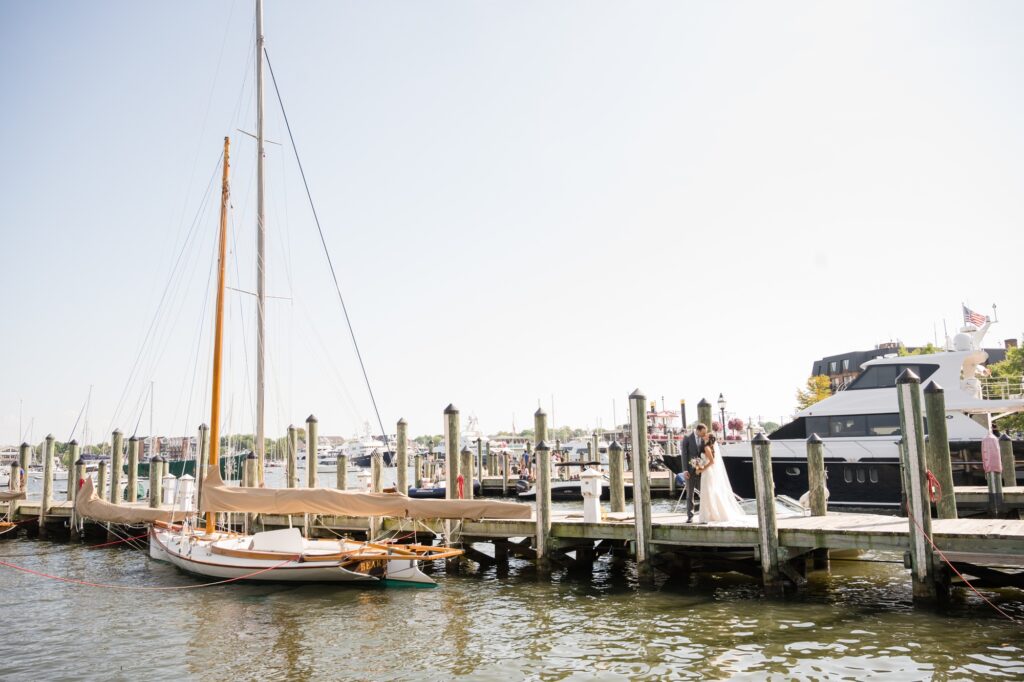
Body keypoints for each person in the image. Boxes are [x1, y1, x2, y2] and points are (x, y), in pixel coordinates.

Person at [696, 434, 746, 522]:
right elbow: (705, 461)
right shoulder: (707, 447)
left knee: (708, 492)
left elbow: (712, 462)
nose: (704, 436)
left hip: (707, 472)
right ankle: (710, 514)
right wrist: (698, 466)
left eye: (706, 436)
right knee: (708, 492)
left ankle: (711, 515)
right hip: (706, 473)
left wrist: (702, 469)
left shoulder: (707, 448)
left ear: (708, 438)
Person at [682, 423, 707, 522]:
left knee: (703, 492)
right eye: (703, 432)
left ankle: (704, 514)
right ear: (698, 430)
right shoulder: (687, 438)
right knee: (690, 493)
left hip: (700, 470)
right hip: (689, 470)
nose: (704, 434)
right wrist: (685, 470)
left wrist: (702, 466)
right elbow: (684, 454)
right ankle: (690, 516)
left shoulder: (702, 439)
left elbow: (702, 454)